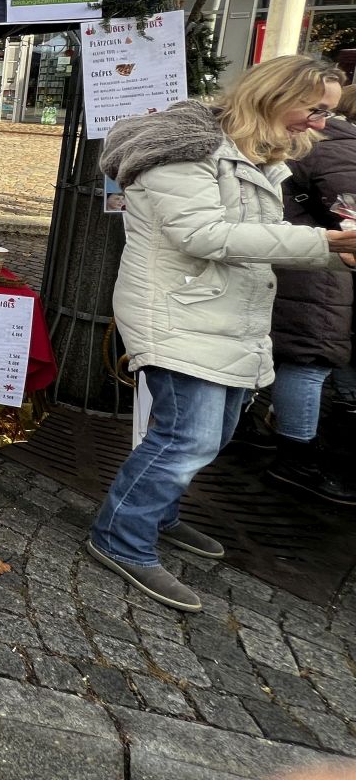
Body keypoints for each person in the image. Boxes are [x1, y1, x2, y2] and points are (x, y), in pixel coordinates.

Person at [89, 55, 356, 612]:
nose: (319, 123)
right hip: (178, 312)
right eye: (313, 108)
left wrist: (338, 256)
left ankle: (155, 515)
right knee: (188, 437)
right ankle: (121, 535)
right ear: (274, 94)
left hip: (219, 314)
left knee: (214, 429)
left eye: (326, 112)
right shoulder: (182, 148)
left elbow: (253, 237)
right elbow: (203, 235)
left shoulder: (251, 153)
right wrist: (327, 246)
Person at [266, 77, 356, 504]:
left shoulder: (309, 138)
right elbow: (350, 210)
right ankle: (295, 454)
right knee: (309, 357)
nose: (318, 120)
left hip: (300, 257)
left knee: (300, 356)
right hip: (315, 264)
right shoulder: (333, 142)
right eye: (315, 108)